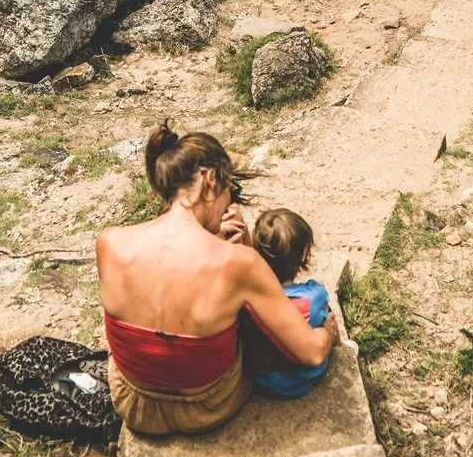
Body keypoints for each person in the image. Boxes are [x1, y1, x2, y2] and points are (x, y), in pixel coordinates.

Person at [94, 124, 336, 435]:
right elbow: (312, 353)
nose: (228, 205)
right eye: (229, 191)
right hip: (207, 407)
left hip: (134, 404)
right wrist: (326, 332)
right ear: (211, 181)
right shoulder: (239, 264)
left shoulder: (110, 242)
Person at [244, 208, 334, 400]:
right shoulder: (313, 295)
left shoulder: (250, 295)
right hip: (301, 380)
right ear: (305, 257)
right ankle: (342, 347)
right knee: (328, 315)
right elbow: (323, 311)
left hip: (261, 379)